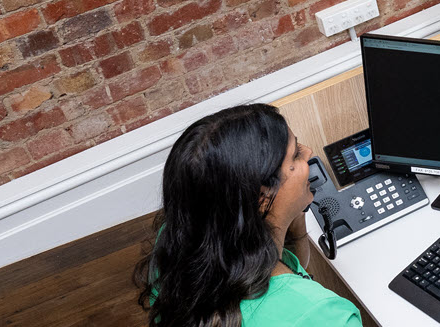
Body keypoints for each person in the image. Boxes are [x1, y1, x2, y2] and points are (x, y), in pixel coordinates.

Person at [134, 104, 361, 327]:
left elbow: (293, 270)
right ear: (262, 198)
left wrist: (293, 211)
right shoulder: (326, 315)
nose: (309, 152)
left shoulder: (178, 240)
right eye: (296, 155)